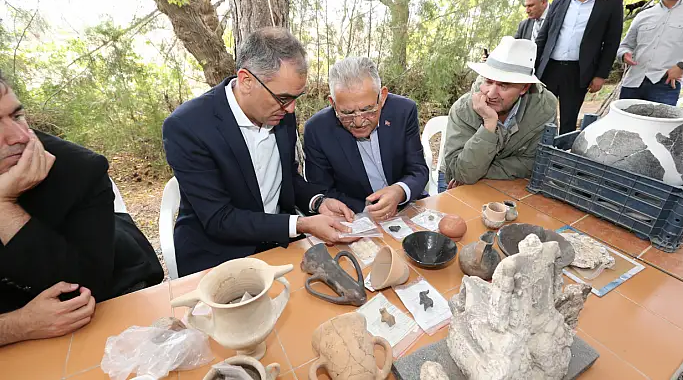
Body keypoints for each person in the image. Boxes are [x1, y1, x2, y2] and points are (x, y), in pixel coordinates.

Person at [162, 27, 355, 277]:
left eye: (297, 97)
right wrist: (300, 223)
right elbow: (219, 218)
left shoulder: (279, 110)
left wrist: (318, 202)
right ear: (246, 81)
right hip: (220, 256)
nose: (291, 109)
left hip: (279, 244)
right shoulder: (188, 127)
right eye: (284, 98)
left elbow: (287, 179)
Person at [0, 74, 163, 346]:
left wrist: (4, 208)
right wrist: (19, 325)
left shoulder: (79, 170)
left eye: (17, 116)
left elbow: (84, 289)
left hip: (110, 295)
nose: (20, 137)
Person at [303, 57, 428, 220]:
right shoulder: (317, 129)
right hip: (356, 215)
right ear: (333, 104)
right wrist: (367, 208)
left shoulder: (403, 111)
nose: (358, 121)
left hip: (409, 205)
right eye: (347, 113)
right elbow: (322, 190)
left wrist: (400, 190)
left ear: (382, 97)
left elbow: (418, 169)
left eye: (368, 109)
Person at [439, 37, 558, 191]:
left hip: (510, 183)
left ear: (524, 88)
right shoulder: (463, 109)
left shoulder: (544, 108)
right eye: (488, 81)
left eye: (504, 85)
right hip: (454, 183)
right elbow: (461, 173)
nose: (491, 93)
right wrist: (489, 124)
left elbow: (536, 162)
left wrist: (481, 171)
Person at [535, 0, 623, 134]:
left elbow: (612, 42)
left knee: (568, 120)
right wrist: (532, 68)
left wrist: (601, 75)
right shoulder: (559, 3)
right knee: (540, 115)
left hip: (578, 71)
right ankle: (537, 152)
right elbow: (543, 38)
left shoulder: (612, 2)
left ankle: (561, 155)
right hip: (549, 68)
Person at [616, 0, 683, 105]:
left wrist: (682, 65)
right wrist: (624, 54)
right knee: (624, 124)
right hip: (632, 82)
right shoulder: (645, 14)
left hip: (666, 84)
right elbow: (625, 45)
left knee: (657, 124)